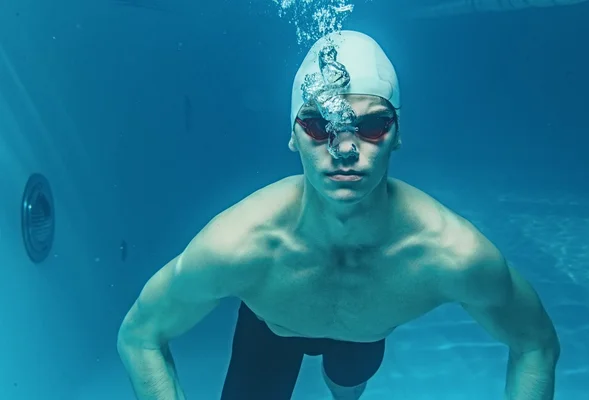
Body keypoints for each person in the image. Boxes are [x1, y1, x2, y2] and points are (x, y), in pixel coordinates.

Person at [117, 30, 560, 400]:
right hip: (271, 330)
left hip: (362, 338)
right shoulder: (238, 245)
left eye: (371, 127)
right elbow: (140, 336)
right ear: (292, 137)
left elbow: (536, 344)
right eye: (317, 126)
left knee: (346, 385)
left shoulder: (450, 254)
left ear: (397, 135)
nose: (345, 151)